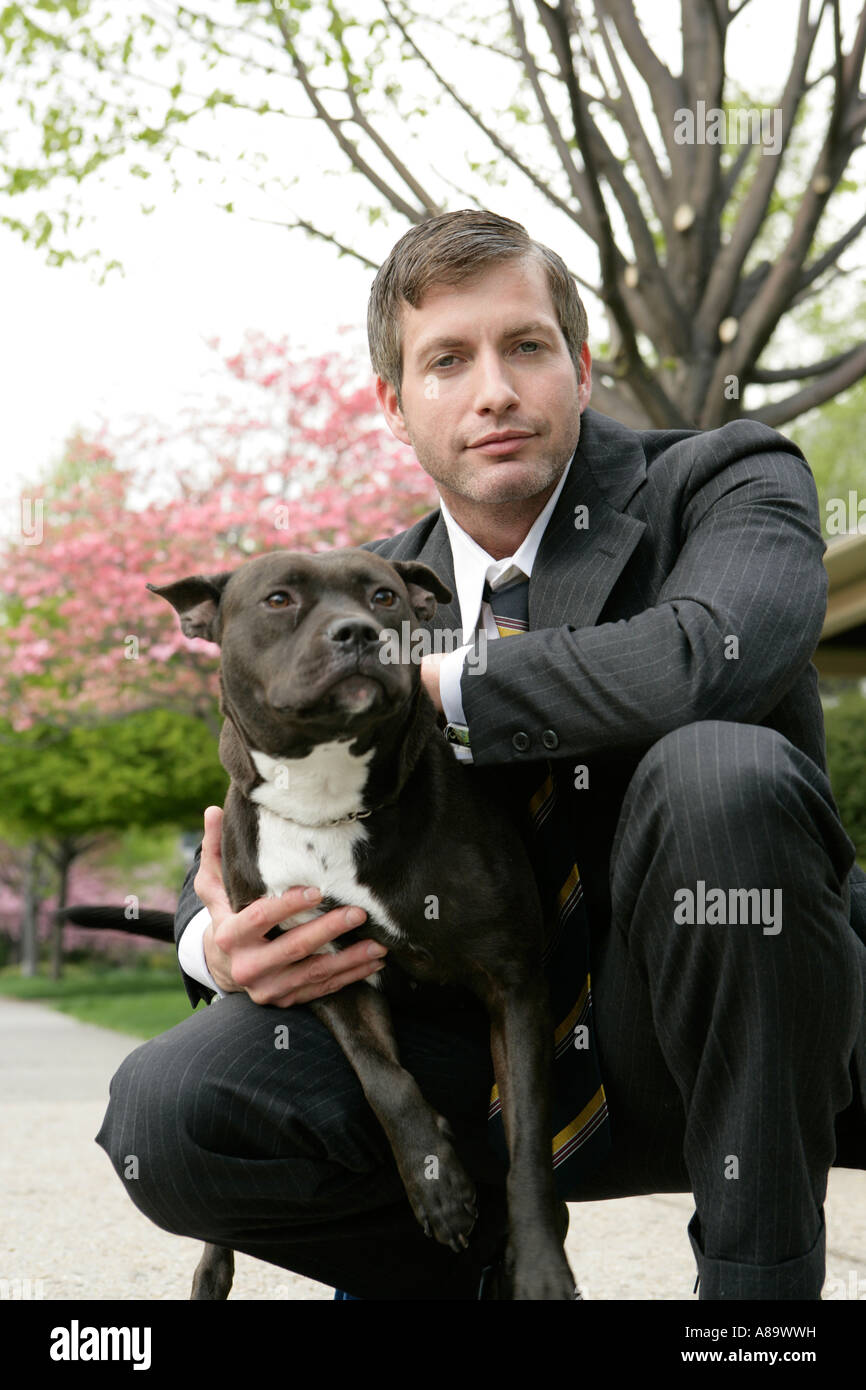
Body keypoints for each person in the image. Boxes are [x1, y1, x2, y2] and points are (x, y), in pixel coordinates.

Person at [96, 209, 866, 1301]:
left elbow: (708, 659)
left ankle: (755, 1316)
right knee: (172, 1114)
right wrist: (215, 945)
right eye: (445, 361)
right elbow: (265, 807)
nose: (492, 390)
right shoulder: (362, 594)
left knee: (719, 772)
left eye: (525, 346)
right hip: (479, 1062)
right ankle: (487, 1276)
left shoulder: (723, 481)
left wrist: (438, 681)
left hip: (726, 1026)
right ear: (393, 404)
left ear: (581, 367)